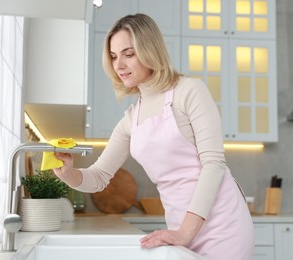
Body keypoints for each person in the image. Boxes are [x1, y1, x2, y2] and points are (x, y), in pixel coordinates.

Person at [53, 13, 254, 259]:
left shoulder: (189, 91)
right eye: (114, 57)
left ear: (150, 50)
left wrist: (185, 233)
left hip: (222, 223)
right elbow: (99, 177)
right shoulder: (131, 118)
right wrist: (70, 174)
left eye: (129, 54)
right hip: (179, 226)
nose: (119, 65)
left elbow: (213, 165)